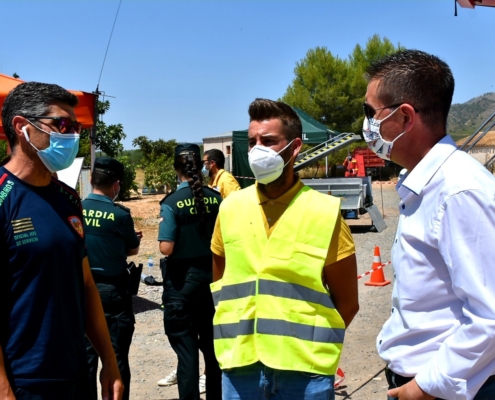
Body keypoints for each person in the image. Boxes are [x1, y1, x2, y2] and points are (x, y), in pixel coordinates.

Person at [363, 49, 495, 400]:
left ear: (405, 117)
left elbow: (490, 315)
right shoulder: (425, 184)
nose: (366, 126)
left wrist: (424, 387)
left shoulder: (458, 191)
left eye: (370, 113)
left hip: (444, 391)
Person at [211, 98, 359, 400]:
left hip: (305, 374)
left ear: (294, 147)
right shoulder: (230, 208)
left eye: (268, 141)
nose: (257, 150)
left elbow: (348, 303)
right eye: (252, 142)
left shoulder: (324, 213)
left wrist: (310, 346)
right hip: (240, 369)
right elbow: (220, 284)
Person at [0, 81, 122, 399]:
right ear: (22, 127)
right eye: (62, 124)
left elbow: (85, 286)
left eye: (76, 126)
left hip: (76, 373)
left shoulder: (68, 199)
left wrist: (109, 361)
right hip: (24, 381)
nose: (72, 136)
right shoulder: (3, 198)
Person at [158, 143, 222, 400]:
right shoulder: (217, 198)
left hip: (181, 284)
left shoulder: (171, 202)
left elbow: (166, 248)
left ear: (177, 170)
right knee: (212, 349)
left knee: (187, 353)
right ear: (200, 168)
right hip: (213, 281)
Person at [83, 157, 142, 400]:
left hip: (83, 291)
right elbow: (131, 249)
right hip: (113, 292)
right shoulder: (120, 215)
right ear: (116, 185)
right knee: (117, 358)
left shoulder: (75, 208)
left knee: (86, 356)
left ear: (90, 179)